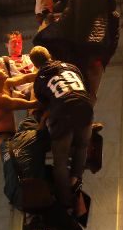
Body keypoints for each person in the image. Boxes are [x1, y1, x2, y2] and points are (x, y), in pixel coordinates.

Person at [30, 46, 94, 212]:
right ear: (50, 55)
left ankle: (65, 201)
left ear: (35, 65)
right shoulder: (71, 66)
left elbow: (43, 104)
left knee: (61, 159)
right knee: (82, 145)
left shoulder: (39, 79)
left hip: (63, 114)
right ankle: (75, 178)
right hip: (85, 107)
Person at [0, 61, 39, 158]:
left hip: (10, 136)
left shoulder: (4, 83)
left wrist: (44, 72)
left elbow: (25, 78)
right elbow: (32, 104)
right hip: (2, 141)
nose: (2, 69)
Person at [0, 31, 37, 99]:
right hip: (19, 96)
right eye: (14, 42)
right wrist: (11, 93)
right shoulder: (1, 61)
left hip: (37, 91)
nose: (17, 45)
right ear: (7, 44)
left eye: (19, 42)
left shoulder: (30, 58)